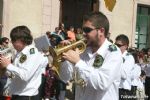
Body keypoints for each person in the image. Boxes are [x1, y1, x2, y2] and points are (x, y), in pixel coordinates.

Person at [59, 12, 122, 100]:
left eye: (87, 30)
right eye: (83, 29)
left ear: (101, 31)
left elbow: (102, 83)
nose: (83, 33)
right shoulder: (83, 51)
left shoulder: (113, 52)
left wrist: (78, 62)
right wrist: (65, 58)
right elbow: (65, 78)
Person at [0, 25, 48, 100]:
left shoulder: (33, 52)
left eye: (14, 40)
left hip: (26, 96)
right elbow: (15, 76)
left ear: (22, 40)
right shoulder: (19, 53)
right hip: (17, 93)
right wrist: (4, 69)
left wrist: (8, 65)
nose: (12, 43)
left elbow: (25, 75)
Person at [115, 34, 135, 100]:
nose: (116, 47)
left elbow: (124, 75)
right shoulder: (115, 55)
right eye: (115, 44)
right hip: (114, 88)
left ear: (126, 46)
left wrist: (116, 61)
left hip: (123, 90)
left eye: (119, 45)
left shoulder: (129, 57)